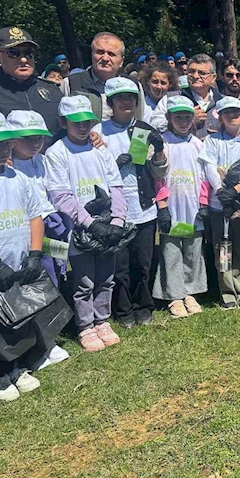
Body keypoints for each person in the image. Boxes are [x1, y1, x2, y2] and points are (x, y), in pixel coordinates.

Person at [0, 112, 58, 401]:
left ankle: (17, 366)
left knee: (18, 316)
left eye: (5, 143)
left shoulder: (18, 177)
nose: (2, 149)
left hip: (19, 265)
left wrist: (34, 253)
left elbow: (35, 216)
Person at [44, 96, 127, 353]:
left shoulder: (100, 149)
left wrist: (117, 220)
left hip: (107, 224)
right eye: (76, 122)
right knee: (84, 280)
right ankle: (85, 325)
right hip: (81, 228)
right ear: (63, 122)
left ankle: (102, 319)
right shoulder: (56, 152)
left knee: (106, 276)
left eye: (87, 122)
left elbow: (116, 186)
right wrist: (90, 223)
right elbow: (61, 196)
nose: (83, 127)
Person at [93, 77, 168, 328]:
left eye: (131, 98)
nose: (126, 102)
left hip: (143, 206)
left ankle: (143, 306)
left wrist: (158, 150)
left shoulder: (143, 129)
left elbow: (159, 174)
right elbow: (91, 172)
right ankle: (123, 310)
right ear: (111, 102)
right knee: (120, 265)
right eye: (120, 98)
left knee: (143, 263)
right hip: (116, 210)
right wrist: (115, 164)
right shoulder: (99, 131)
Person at [6, 110, 70, 372]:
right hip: (27, 235)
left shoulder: (42, 160)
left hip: (52, 230)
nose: (34, 143)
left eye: (39, 137)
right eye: (27, 138)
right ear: (11, 139)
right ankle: (34, 346)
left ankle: (48, 338)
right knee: (31, 289)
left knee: (52, 280)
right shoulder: (7, 167)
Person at [199, 96, 240, 310]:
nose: (232, 116)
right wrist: (220, 191)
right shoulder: (212, 141)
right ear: (220, 116)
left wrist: (236, 190)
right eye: (227, 112)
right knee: (223, 250)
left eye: (236, 112)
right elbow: (209, 167)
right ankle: (227, 292)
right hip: (220, 205)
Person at [152, 96, 208, 317]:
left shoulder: (197, 144)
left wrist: (203, 203)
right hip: (172, 207)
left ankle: (190, 290)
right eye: (178, 117)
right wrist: (162, 205)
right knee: (171, 250)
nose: (183, 121)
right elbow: (157, 177)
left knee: (193, 251)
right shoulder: (162, 143)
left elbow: (204, 177)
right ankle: (174, 295)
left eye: (187, 117)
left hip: (193, 208)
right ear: (168, 118)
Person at [0, 27, 64, 140]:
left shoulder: (52, 90)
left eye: (28, 53)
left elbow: (70, 129)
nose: (23, 60)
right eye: (13, 53)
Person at [61, 32, 127, 121]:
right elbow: (60, 120)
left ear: (121, 61)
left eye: (111, 54)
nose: (105, 58)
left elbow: (140, 121)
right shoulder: (70, 83)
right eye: (100, 52)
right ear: (91, 55)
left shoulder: (133, 86)